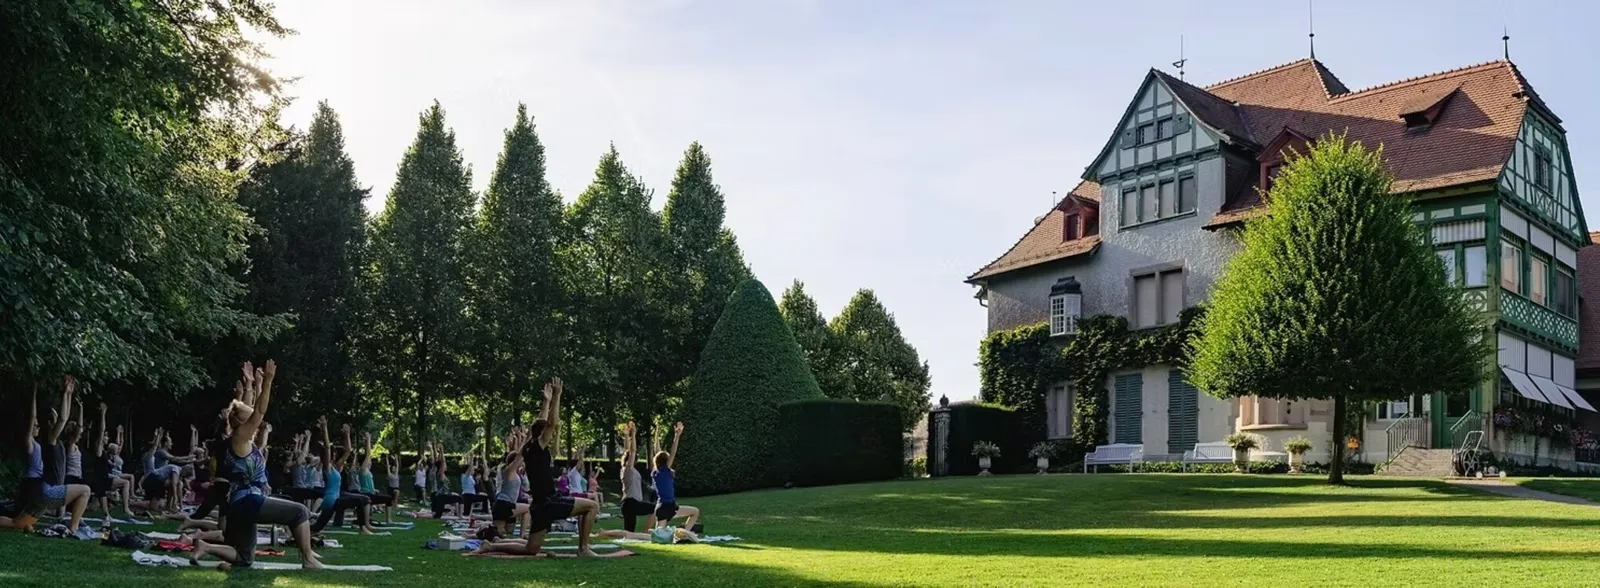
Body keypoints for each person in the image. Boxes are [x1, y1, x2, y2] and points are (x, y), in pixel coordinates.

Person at [190, 360, 322, 570]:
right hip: (248, 501)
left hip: (238, 505)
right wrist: (268, 381)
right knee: (300, 512)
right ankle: (308, 560)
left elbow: (251, 408)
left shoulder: (242, 440)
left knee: (245, 558)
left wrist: (253, 384)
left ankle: (205, 546)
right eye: (249, 415)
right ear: (243, 422)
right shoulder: (239, 438)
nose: (253, 416)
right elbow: (258, 411)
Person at [472, 378, 601, 558]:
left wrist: (546, 401)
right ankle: (583, 549)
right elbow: (551, 423)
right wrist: (557, 396)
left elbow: (541, 423)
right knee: (592, 506)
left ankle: (490, 546)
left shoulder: (528, 447)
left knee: (531, 549)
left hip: (538, 505)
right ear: (542, 434)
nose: (551, 434)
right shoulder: (537, 446)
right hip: (549, 501)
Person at [1, 381, 89, 534]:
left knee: (17, 523)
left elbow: (65, 418)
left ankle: (72, 527)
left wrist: (69, 394)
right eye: (54, 419)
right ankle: (73, 529)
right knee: (85, 490)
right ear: (50, 424)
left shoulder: (56, 442)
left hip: (42, 493)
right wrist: (65, 394)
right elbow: (63, 419)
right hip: (49, 490)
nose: (59, 421)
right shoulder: (50, 439)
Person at [308, 419, 374, 534]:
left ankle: (296, 528)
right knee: (359, 500)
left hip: (335, 499)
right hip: (330, 500)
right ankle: (363, 528)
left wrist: (347, 434)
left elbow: (348, 450)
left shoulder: (336, 468)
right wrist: (325, 428)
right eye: (332, 453)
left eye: (334, 453)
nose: (333, 455)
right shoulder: (327, 468)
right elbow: (327, 447)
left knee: (316, 528)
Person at [652, 422, 700, 532]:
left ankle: (683, 534)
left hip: (661, 507)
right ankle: (684, 533)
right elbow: (673, 452)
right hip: (668, 506)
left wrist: (656, 434)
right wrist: (677, 436)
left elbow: (657, 453)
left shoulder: (655, 472)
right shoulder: (665, 471)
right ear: (666, 461)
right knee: (695, 512)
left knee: (658, 536)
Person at [617, 422, 656, 533]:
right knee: (657, 508)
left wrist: (626, 435)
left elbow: (627, 451)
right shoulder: (628, 468)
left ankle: (644, 533)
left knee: (629, 533)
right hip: (631, 503)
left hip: (630, 504)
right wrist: (633, 433)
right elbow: (632, 451)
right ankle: (645, 532)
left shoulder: (626, 469)